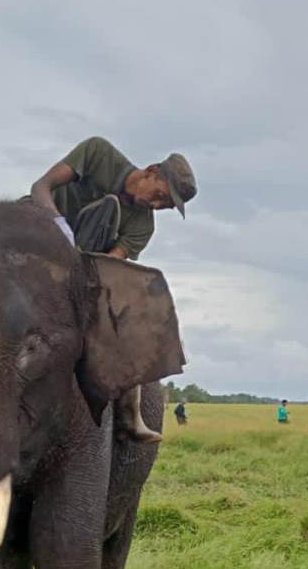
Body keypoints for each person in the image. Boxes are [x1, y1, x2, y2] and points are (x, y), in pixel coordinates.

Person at [28, 136, 198, 444]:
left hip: (80, 269)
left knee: (129, 307)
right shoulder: (98, 153)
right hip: (32, 235)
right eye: (160, 195)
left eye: (166, 206)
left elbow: (110, 266)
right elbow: (41, 187)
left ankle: (129, 413)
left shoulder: (143, 225)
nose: (157, 206)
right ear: (150, 173)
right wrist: (57, 225)